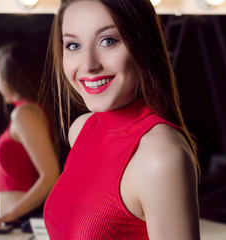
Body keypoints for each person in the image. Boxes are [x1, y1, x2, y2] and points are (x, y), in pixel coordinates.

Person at [43, 0, 201, 239]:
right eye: (73, 45)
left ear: (143, 44)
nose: (88, 65)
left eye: (108, 41)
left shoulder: (160, 155)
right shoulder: (81, 129)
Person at [0, 42, 60, 231]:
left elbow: (50, 175)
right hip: (15, 222)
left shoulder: (25, 114)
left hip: (22, 223)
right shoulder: (28, 112)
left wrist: (9, 216)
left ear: (7, 79)